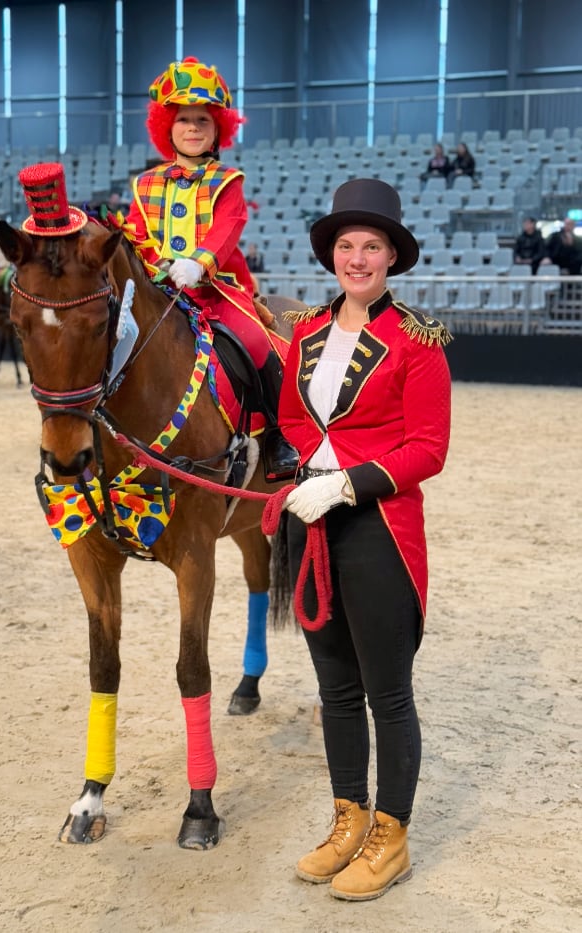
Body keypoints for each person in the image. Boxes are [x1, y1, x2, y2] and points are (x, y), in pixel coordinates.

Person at [278, 178, 452, 902]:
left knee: (388, 693)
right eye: (346, 245)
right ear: (332, 255)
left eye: (371, 246)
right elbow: (293, 417)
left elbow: (429, 448)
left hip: (379, 527)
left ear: (391, 257)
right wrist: (304, 473)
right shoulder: (304, 332)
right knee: (336, 688)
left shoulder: (418, 341)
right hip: (310, 522)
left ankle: (392, 836)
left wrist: (347, 482)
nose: (357, 258)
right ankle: (349, 819)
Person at [120, 55, 297, 481]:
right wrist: (160, 266)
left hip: (217, 291)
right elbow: (136, 234)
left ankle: (281, 437)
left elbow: (228, 227)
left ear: (219, 129)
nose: (193, 127)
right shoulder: (145, 184)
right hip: (160, 290)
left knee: (258, 342)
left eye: (203, 119)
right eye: (184, 119)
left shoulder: (228, 180)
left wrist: (199, 265)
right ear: (168, 127)